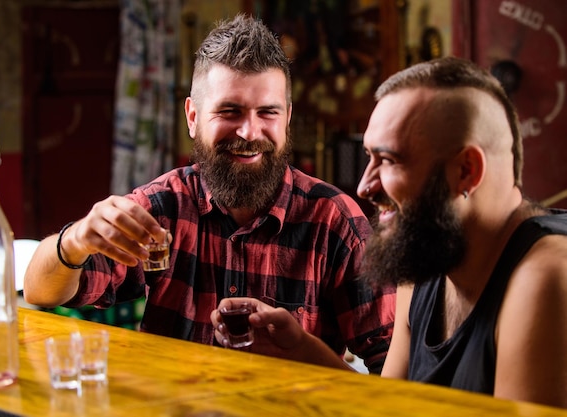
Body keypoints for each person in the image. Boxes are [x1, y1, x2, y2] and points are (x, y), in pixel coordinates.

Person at [23, 14, 396, 374]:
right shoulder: (161, 207)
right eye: (230, 111)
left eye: (268, 112)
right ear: (193, 117)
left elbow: (395, 382)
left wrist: (303, 350)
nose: (250, 132)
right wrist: (74, 240)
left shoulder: (334, 221)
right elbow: (42, 291)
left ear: (287, 117)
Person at [211, 56, 567, 409]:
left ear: (466, 171)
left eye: (389, 160)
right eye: (368, 157)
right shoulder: (429, 254)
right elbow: (389, 409)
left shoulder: (545, 278)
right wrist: (302, 350)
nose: (364, 186)